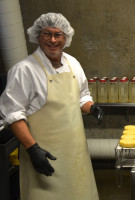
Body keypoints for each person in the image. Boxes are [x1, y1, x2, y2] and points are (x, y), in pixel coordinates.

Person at [0, 13, 103, 200]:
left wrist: (91, 108)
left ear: (66, 38)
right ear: (38, 35)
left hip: (75, 152)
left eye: (58, 35)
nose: (53, 40)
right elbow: (13, 113)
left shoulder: (73, 64)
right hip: (44, 155)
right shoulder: (24, 70)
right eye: (47, 34)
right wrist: (32, 149)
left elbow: (81, 96)